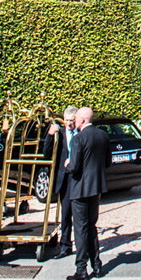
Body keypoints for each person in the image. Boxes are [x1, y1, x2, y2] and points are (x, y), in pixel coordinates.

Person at [65, 107, 111, 280]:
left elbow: (74, 166)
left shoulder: (78, 138)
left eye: (76, 119)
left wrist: (67, 164)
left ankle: (81, 270)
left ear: (83, 120)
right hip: (96, 188)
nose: (74, 122)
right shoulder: (103, 136)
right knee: (91, 226)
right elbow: (108, 163)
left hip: (80, 189)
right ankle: (97, 266)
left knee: (80, 229)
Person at [43, 105, 78, 258]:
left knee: (80, 214)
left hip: (79, 177)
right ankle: (65, 245)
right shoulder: (60, 134)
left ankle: (84, 245)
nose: (68, 123)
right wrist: (50, 136)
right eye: (66, 120)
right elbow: (46, 153)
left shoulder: (82, 133)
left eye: (71, 120)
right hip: (64, 178)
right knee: (65, 213)